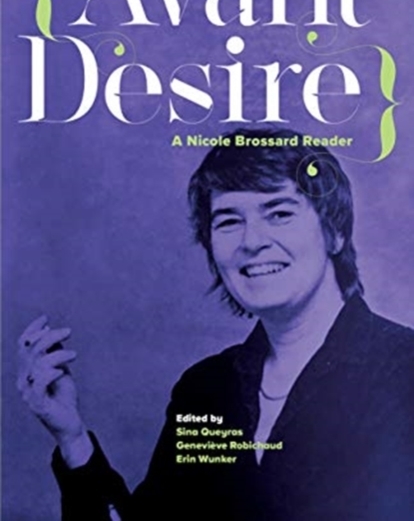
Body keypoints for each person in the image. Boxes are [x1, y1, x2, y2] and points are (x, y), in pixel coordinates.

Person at [17, 128, 414, 521]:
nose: (251, 241)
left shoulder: (404, 372)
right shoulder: (206, 390)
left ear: (335, 232)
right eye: (228, 221)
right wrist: (72, 437)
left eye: (279, 213)